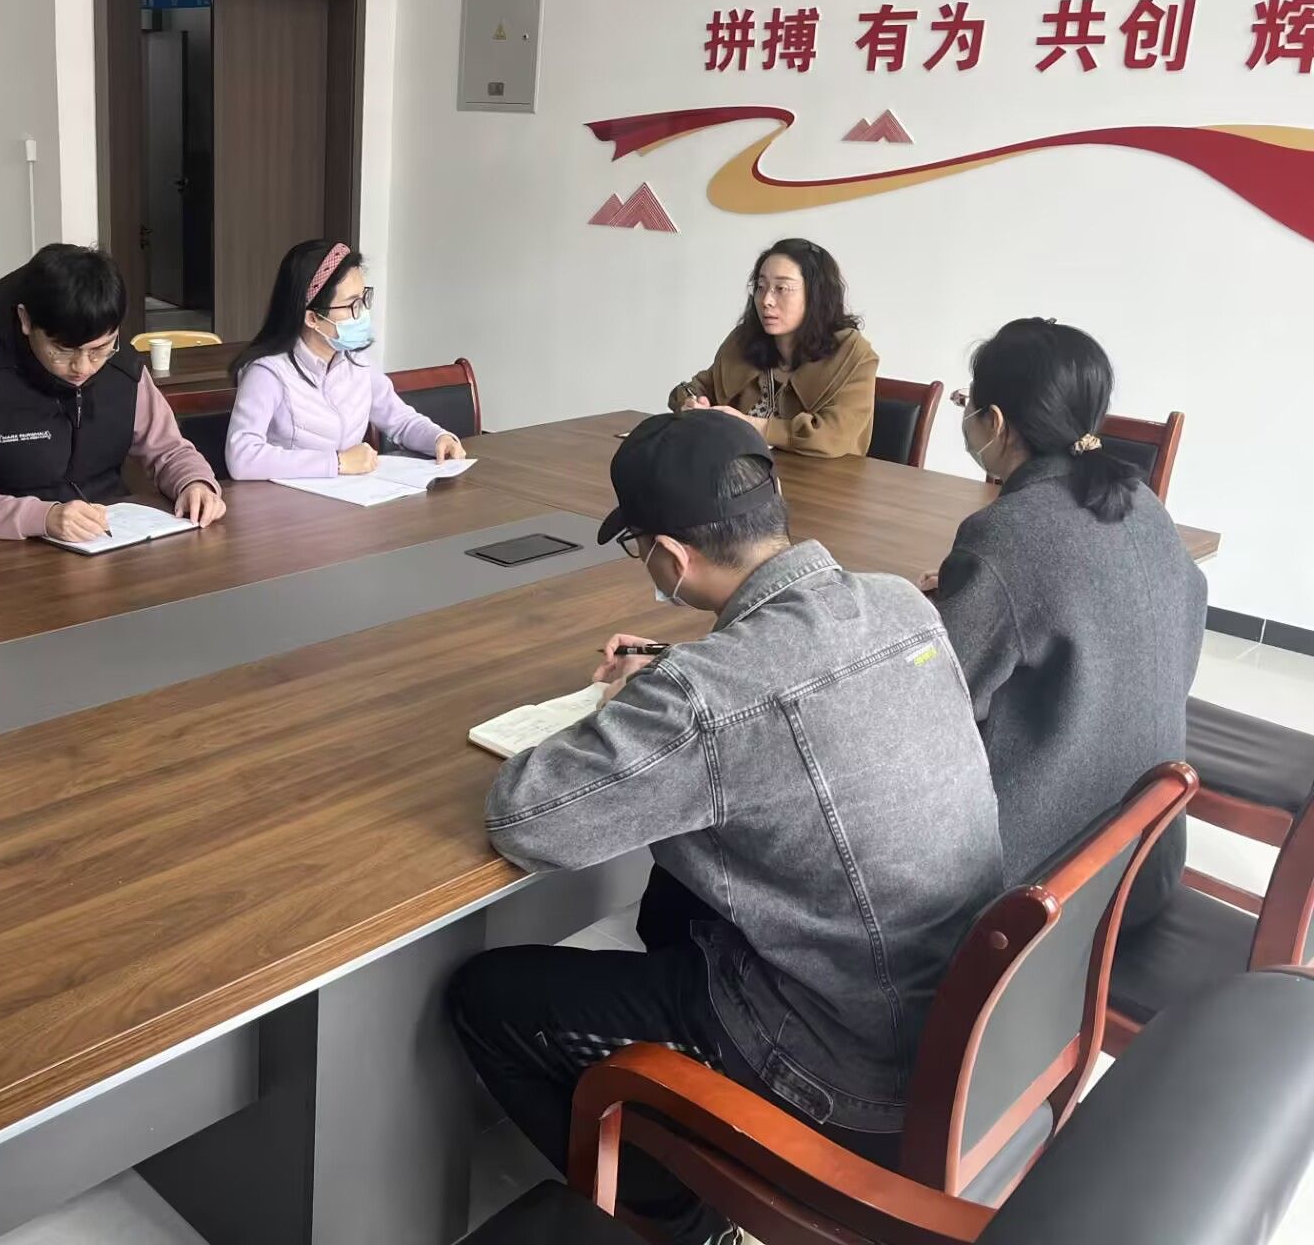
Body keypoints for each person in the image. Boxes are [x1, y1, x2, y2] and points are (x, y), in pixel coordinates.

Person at [446, 411, 1003, 1244]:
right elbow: (782, 690)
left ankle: (678, 1217)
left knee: (487, 997)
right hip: (946, 1020)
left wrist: (629, 703)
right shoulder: (900, 603)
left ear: (670, 558)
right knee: (672, 902)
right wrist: (673, 674)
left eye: (638, 551)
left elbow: (525, 818)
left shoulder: (707, 698)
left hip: (838, 1064)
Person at [926, 319, 1206, 925]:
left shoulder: (1005, 535)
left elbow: (936, 702)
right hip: (1147, 862)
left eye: (967, 404)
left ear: (994, 423)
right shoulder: (1145, 504)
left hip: (1042, 902)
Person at [0, 243, 225, 541]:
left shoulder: (123, 370)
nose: (83, 367)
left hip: (107, 540)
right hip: (4, 551)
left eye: (100, 348)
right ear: (25, 320)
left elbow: (170, 451)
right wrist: (42, 517)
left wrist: (194, 482)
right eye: (63, 350)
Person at [224, 239, 467, 480]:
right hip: (288, 500)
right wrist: (337, 462)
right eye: (352, 305)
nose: (362, 314)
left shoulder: (356, 363)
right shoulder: (268, 372)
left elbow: (400, 420)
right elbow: (242, 457)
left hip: (350, 496)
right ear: (312, 318)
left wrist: (438, 438)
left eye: (363, 299)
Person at [668, 238, 877, 458]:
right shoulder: (743, 340)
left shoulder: (853, 355)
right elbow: (695, 388)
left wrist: (748, 425)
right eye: (761, 287)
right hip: (738, 471)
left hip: (817, 477)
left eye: (781, 288)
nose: (766, 300)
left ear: (816, 295)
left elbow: (833, 436)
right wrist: (691, 404)